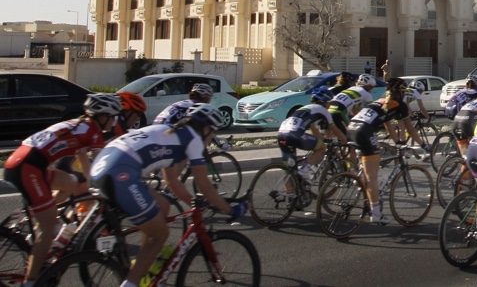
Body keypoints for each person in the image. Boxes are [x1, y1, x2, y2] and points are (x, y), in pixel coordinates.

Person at [90, 104, 245, 287]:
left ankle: (144, 262)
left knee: (163, 206)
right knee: (160, 234)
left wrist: (194, 204)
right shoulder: (194, 140)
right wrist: (230, 209)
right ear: (205, 129)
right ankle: (132, 283)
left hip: (102, 167)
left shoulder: (172, 133)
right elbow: (205, 186)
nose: (211, 139)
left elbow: (172, 181)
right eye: (212, 134)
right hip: (120, 175)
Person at [4, 93, 121, 287]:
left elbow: (86, 167)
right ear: (103, 116)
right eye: (113, 116)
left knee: (71, 183)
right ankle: (31, 282)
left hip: (25, 162)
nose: (114, 121)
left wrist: (88, 184)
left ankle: (39, 213)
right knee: (49, 228)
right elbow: (101, 167)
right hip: (29, 168)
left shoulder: (78, 124)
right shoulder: (92, 131)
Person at [348, 78, 410, 223]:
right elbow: (410, 129)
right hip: (364, 132)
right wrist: (424, 146)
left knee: (368, 170)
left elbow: (388, 125)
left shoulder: (380, 101)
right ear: (400, 93)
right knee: (372, 178)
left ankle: (363, 184)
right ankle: (376, 214)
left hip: (351, 128)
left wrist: (398, 143)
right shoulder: (399, 105)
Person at [276, 86, 345, 181]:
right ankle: (305, 170)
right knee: (322, 148)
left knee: (290, 170)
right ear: (325, 102)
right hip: (295, 135)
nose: (330, 105)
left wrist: (324, 139)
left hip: (281, 134)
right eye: (330, 103)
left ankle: (290, 194)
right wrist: (345, 141)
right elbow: (335, 130)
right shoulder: (323, 110)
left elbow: (314, 131)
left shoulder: (305, 108)